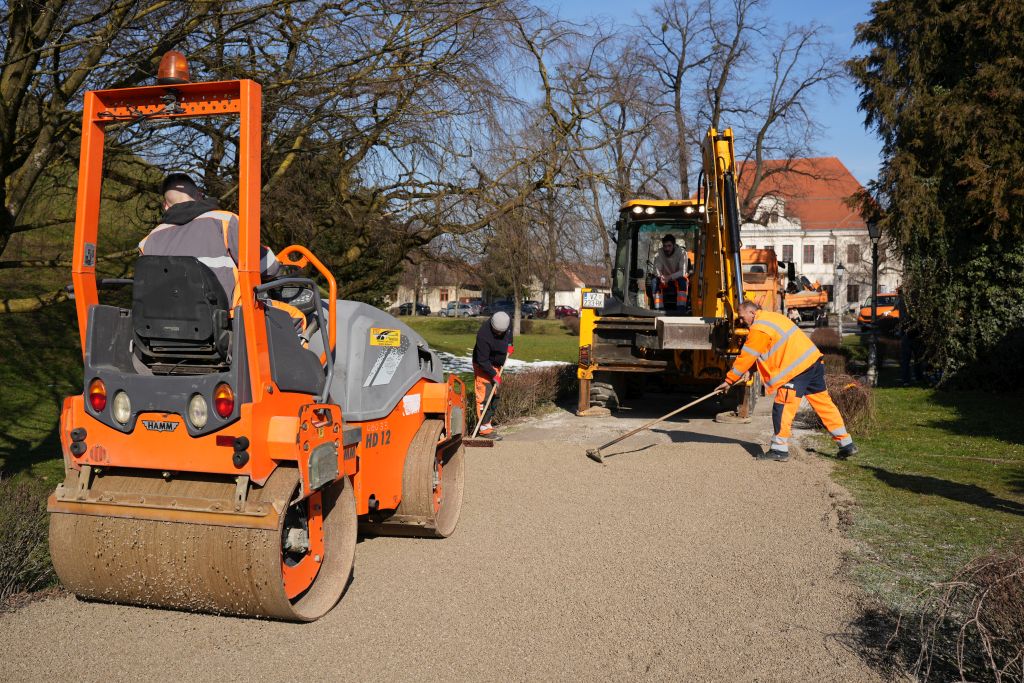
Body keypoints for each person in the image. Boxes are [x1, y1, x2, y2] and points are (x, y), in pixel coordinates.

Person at [715, 300, 858, 462]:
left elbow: (747, 356)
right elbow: (766, 351)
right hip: (813, 363)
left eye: (742, 317)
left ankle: (779, 449)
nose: (741, 321)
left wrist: (729, 380)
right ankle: (846, 443)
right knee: (824, 405)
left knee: (782, 407)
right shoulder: (773, 318)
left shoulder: (759, 328)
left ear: (752, 313)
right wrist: (751, 370)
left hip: (796, 370)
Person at [139, 173, 281, 305]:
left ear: (165, 206)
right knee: (292, 315)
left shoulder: (147, 242)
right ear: (200, 195)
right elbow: (269, 268)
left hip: (165, 320)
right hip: (226, 319)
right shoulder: (226, 222)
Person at [472, 311, 514, 439]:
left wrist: (510, 344)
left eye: (502, 332)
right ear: (492, 325)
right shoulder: (483, 336)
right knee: (485, 395)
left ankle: (488, 423)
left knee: (495, 395)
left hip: (497, 364)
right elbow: (482, 360)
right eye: (497, 332)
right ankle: (484, 429)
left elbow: (509, 334)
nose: (499, 334)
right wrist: (493, 374)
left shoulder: (507, 321)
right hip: (483, 365)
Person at [652, 234, 688, 311]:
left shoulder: (682, 253)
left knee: (682, 281)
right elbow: (657, 268)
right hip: (664, 280)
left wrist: (670, 277)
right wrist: (660, 276)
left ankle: (681, 308)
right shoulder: (659, 253)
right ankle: (658, 308)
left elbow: (682, 271)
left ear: (674, 245)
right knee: (654, 281)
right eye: (665, 246)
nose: (667, 248)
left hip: (677, 279)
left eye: (669, 246)